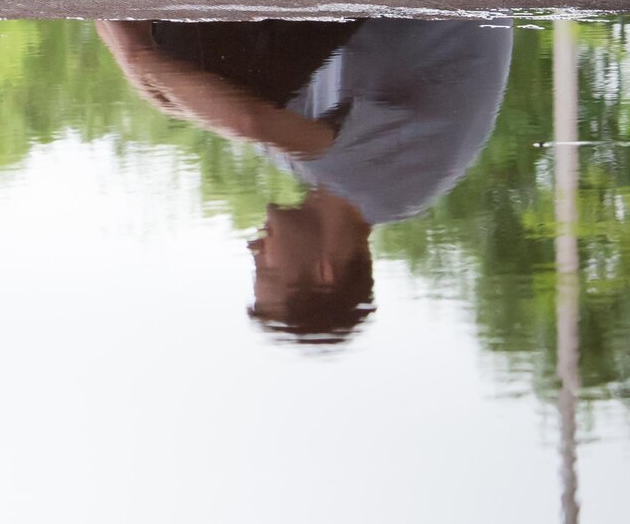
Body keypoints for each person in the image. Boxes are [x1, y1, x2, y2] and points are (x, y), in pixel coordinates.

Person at [99, 17, 511, 340]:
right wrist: (136, 55)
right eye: (267, 271)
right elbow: (247, 120)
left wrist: (127, 42)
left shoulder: (319, 167)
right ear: (324, 269)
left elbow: (196, 107)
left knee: (199, 72)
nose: (253, 247)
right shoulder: (394, 185)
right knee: (197, 59)